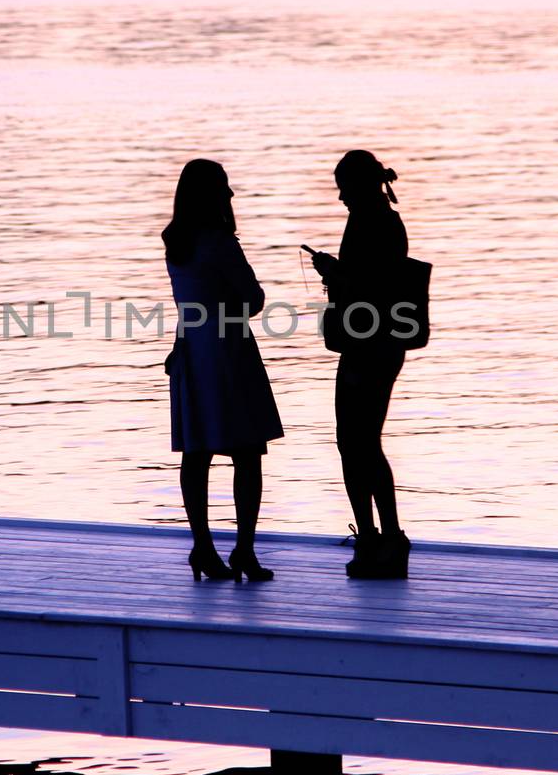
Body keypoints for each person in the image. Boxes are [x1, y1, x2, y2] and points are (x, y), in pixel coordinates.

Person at [164, 159, 283, 583]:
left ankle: (203, 547)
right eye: (226, 188)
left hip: (191, 350)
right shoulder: (219, 242)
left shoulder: (175, 242)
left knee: (197, 454)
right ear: (211, 195)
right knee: (248, 454)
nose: (232, 196)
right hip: (229, 350)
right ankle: (244, 551)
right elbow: (251, 300)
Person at [308, 150, 412, 579]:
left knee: (358, 442)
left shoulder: (375, 222)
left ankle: (381, 539)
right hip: (378, 344)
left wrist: (333, 272)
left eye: (344, 189)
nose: (340, 199)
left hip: (369, 345)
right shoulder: (380, 219)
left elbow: (370, 288)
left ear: (361, 186)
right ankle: (379, 538)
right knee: (358, 441)